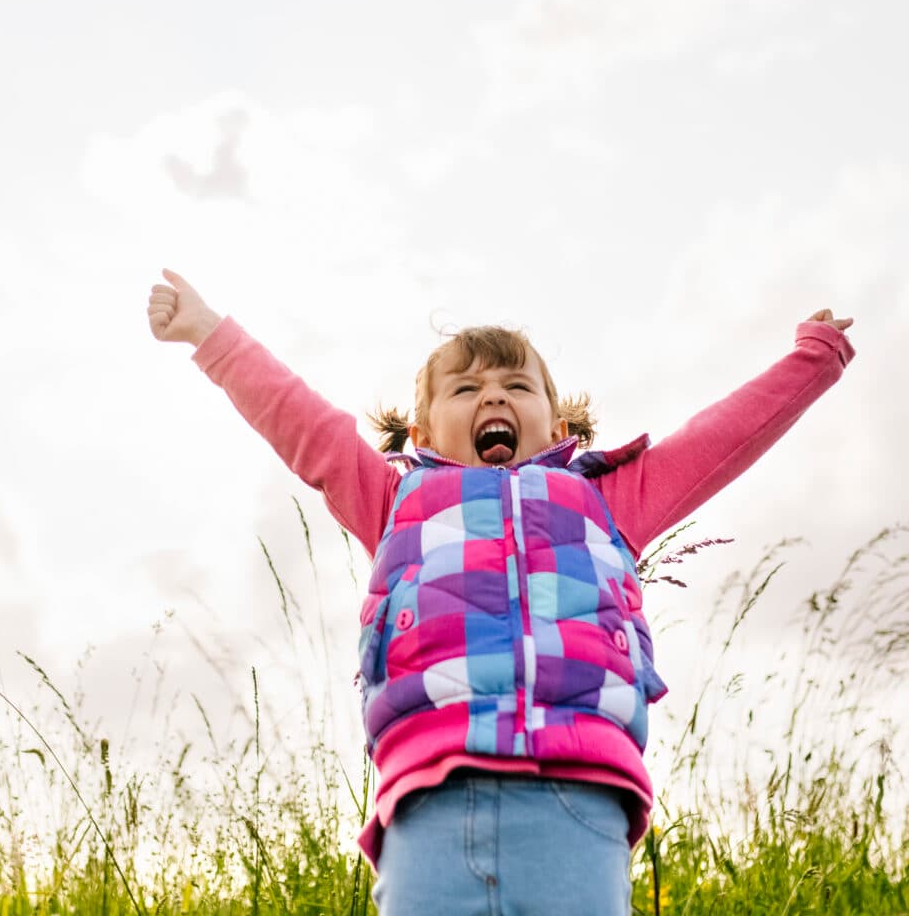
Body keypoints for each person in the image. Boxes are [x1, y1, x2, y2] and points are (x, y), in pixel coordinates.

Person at [147, 268, 854, 915]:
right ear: (422, 431)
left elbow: (722, 436)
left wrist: (815, 356)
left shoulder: (607, 498)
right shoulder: (394, 499)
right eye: (465, 388)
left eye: (518, 386)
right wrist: (210, 333)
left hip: (577, 794)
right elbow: (303, 423)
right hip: (428, 795)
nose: (493, 395)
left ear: (560, 425)